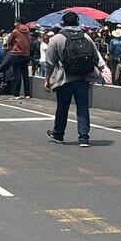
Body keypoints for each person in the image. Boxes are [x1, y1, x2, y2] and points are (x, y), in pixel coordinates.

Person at [44, 11, 106, 147]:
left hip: (64, 79)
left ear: (62, 23)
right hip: (83, 79)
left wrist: (47, 79)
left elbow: (49, 62)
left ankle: (58, 134)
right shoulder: (86, 36)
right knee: (83, 107)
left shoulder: (57, 39)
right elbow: (96, 57)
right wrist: (102, 71)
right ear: (78, 22)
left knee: (62, 107)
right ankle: (83, 138)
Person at [5, 17, 32, 99]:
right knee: (25, 75)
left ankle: (17, 94)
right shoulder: (27, 30)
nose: (14, 24)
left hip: (16, 54)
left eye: (15, 22)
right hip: (26, 54)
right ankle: (27, 94)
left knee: (17, 74)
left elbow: (9, 41)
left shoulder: (15, 31)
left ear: (19, 22)